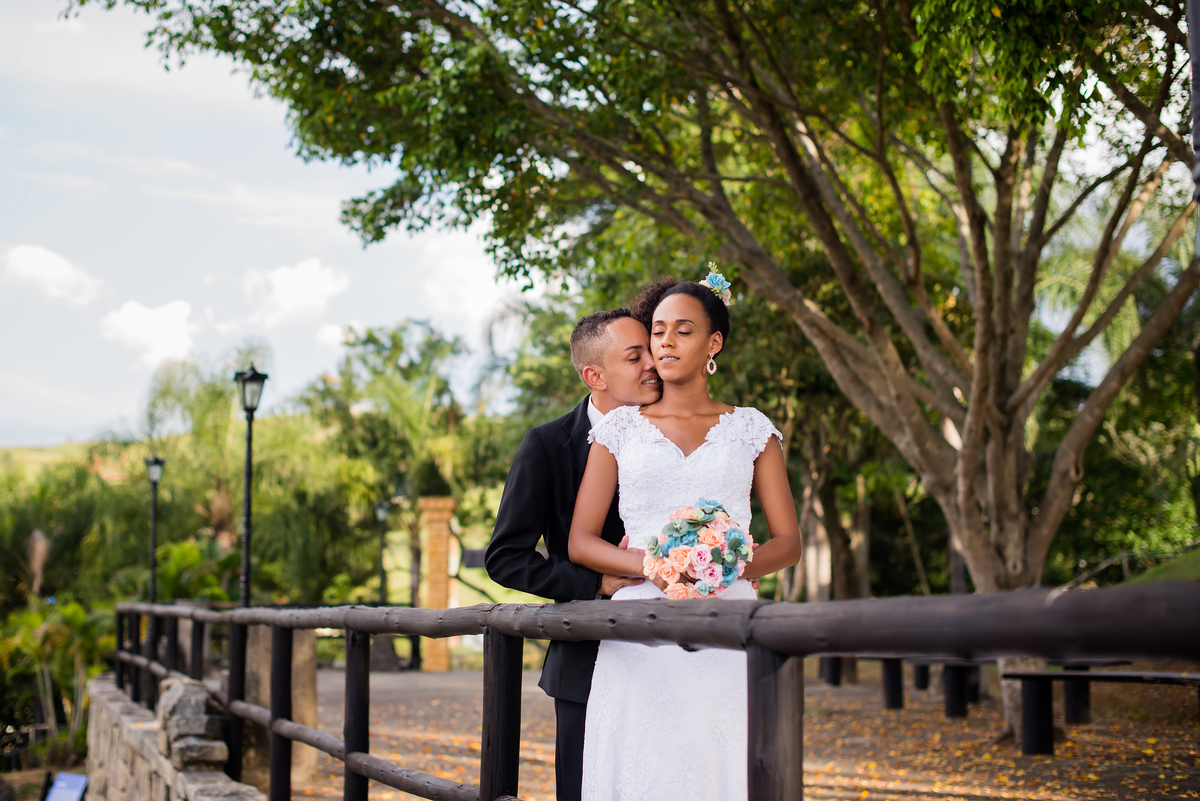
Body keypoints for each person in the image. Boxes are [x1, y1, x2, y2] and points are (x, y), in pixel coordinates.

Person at [567, 274, 803, 801]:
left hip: (729, 622)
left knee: (725, 765)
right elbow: (581, 542)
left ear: (713, 343)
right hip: (638, 627)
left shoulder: (751, 430)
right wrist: (654, 565)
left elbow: (787, 541)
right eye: (658, 330)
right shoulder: (619, 431)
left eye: (683, 330)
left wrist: (727, 565)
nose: (666, 342)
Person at [485, 307, 662, 801]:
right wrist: (594, 584)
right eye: (636, 355)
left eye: (651, 348)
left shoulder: (678, 428)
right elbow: (505, 556)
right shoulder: (546, 445)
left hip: (677, 649)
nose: (654, 362)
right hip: (587, 656)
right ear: (595, 375)